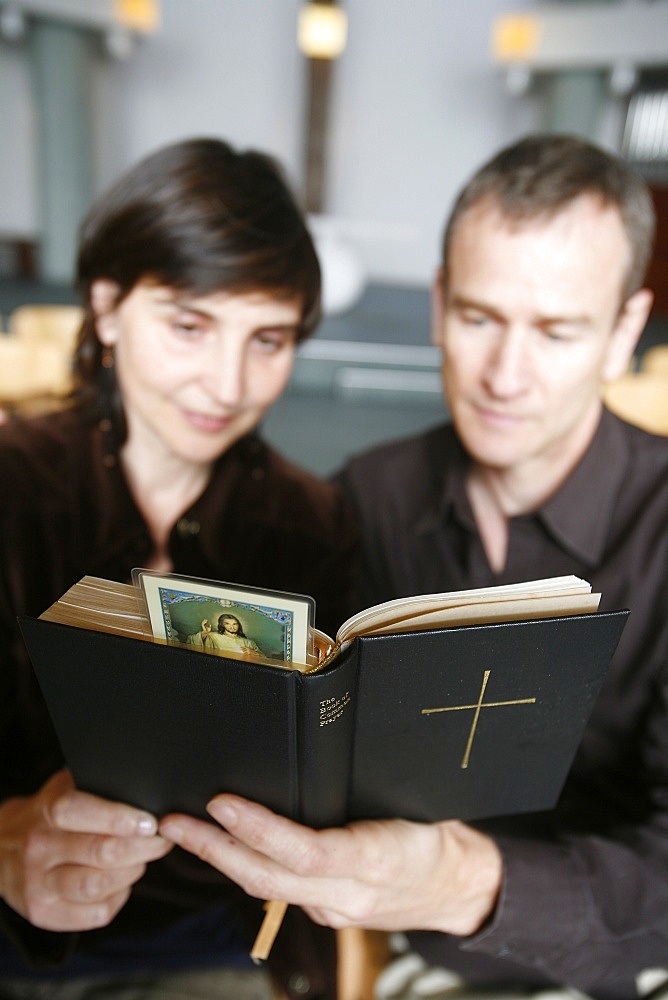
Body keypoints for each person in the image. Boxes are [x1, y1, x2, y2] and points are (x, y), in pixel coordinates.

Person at [157, 135, 668, 1000]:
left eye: (556, 331)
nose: (506, 376)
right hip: (399, 949)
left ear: (623, 332)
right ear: (435, 306)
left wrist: (463, 879)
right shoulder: (365, 497)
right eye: (478, 318)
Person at [0, 137, 357, 1000]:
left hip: (215, 943)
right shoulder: (9, 488)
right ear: (108, 305)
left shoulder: (314, 524)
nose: (226, 385)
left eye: (267, 339)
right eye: (190, 326)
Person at [187, 614, 262, 656]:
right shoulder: (214, 636)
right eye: (227, 624)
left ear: (239, 625)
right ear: (222, 625)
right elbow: (191, 641)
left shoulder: (249, 642)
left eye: (235, 624)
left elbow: (264, 659)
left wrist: (254, 653)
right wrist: (205, 633)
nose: (232, 627)